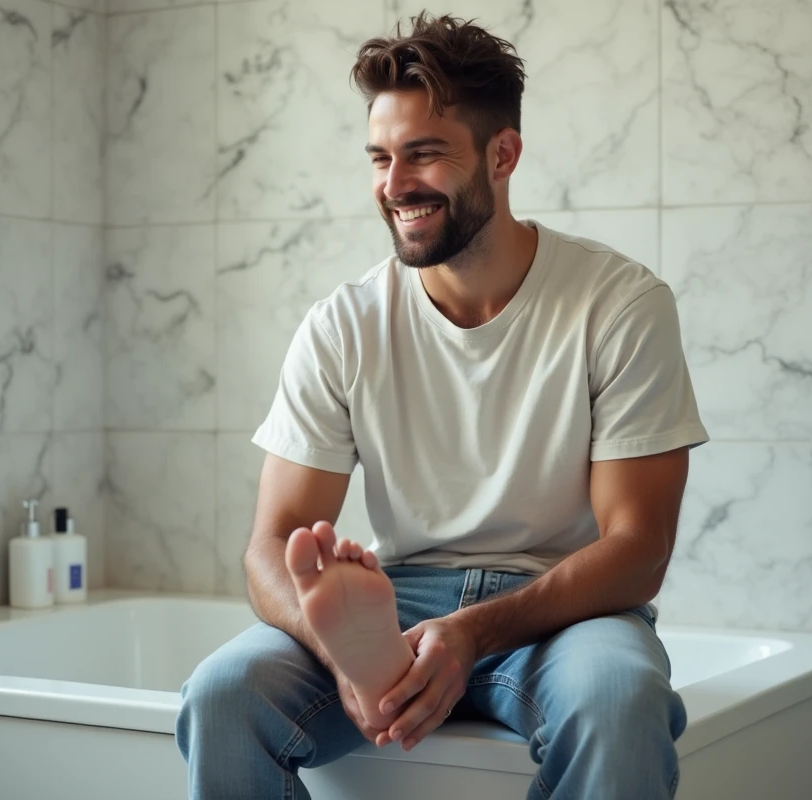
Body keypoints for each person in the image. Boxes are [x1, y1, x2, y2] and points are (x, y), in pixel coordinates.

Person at [177, 11, 709, 799]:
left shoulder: (619, 303)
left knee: (619, 702)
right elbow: (270, 547)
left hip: (562, 611)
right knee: (223, 696)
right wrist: (339, 647)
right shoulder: (343, 324)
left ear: (503, 155)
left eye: (423, 153)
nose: (394, 185)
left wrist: (471, 633)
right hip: (396, 604)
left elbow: (639, 548)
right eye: (380, 157)